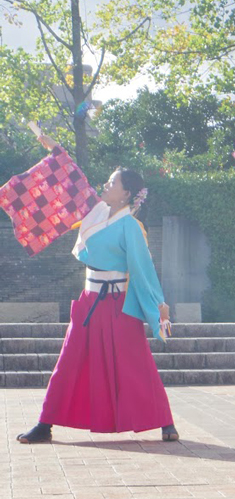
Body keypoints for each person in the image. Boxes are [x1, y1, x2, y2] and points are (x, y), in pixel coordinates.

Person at [16, 135, 178, 443]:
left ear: (126, 193)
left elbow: (143, 270)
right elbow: (75, 181)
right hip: (90, 301)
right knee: (67, 362)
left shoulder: (130, 226)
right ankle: (45, 423)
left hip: (119, 304)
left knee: (135, 363)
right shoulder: (97, 211)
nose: (105, 185)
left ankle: (166, 422)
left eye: (112, 182)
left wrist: (159, 306)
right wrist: (54, 149)